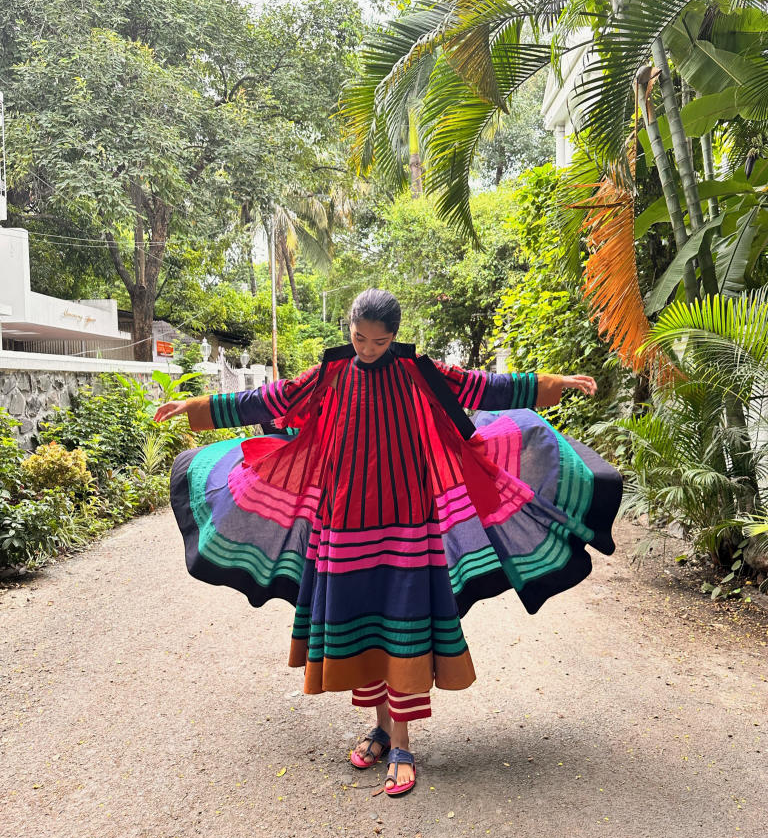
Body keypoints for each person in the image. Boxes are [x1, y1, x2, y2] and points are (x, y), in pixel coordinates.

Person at [155, 288, 622, 798]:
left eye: (379, 341)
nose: (368, 348)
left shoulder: (418, 371)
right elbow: (271, 398)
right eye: (359, 338)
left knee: (403, 629)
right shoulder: (330, 374)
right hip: (342, 521)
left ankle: (401, 741)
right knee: (363, 627)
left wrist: (554, 384)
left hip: (407, 521)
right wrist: (195, 406)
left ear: (395, 337)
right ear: (349, 329)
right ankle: (381, 729)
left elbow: (484, 387)